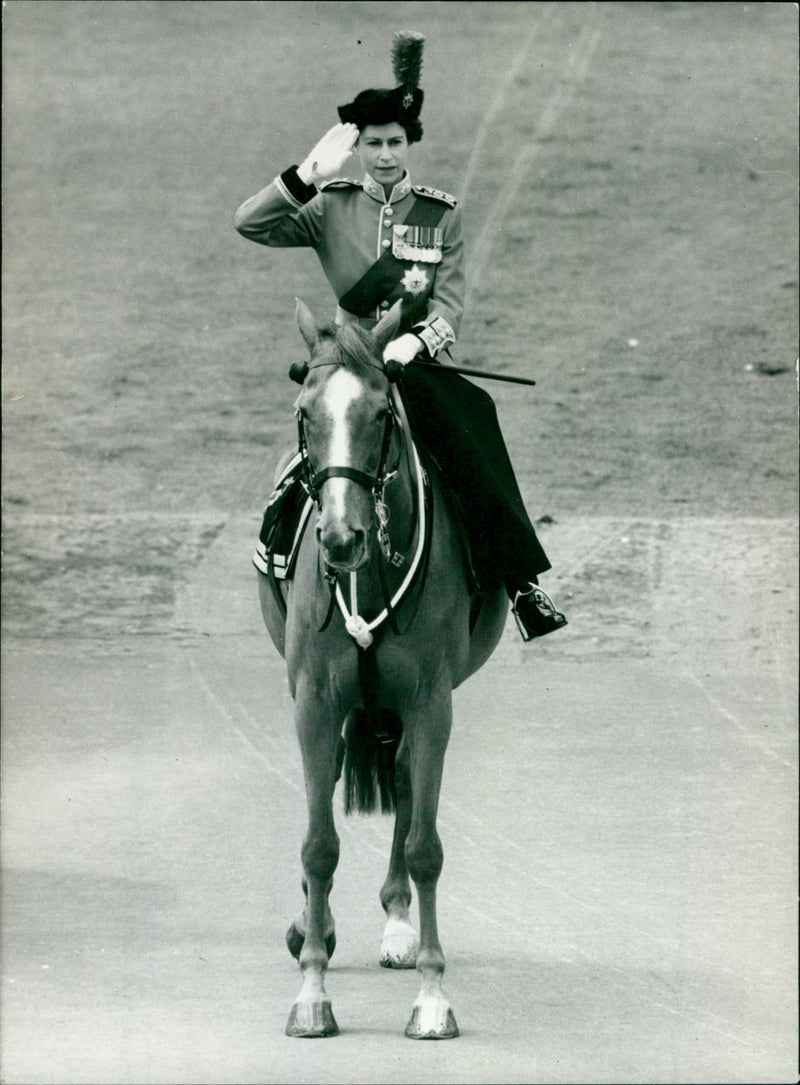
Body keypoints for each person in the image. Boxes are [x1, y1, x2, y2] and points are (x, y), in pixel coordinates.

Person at [234, 31, 566, 641]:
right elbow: (249, 223)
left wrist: (420, 341)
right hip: (346, 359)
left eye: (394, 142)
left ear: (410, 144)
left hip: (412, 364)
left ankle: (520, 583)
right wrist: (307, 174)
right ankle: (278, 554)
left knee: (474, 429)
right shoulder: (328, 205)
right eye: (372, 144)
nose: (384, 154)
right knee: (307, 456)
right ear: (356, 148)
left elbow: (451, 298)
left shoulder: (441, 213)